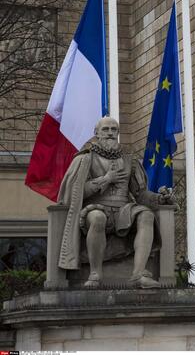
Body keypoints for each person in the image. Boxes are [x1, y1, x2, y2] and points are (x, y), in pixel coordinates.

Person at [57, 117, 173, 288]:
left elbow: (140, 194)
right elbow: (75, 193)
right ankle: (95, 274)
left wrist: (159, 198)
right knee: (97, 218)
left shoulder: (129, 160)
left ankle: (138, 274)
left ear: (118, 133)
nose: (110, 133)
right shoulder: (84, 159)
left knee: (147, 215)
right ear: (96, 133)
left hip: (123, 210)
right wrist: (105, 179)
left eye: (113, 129)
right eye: (106, 129)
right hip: (95, 207)